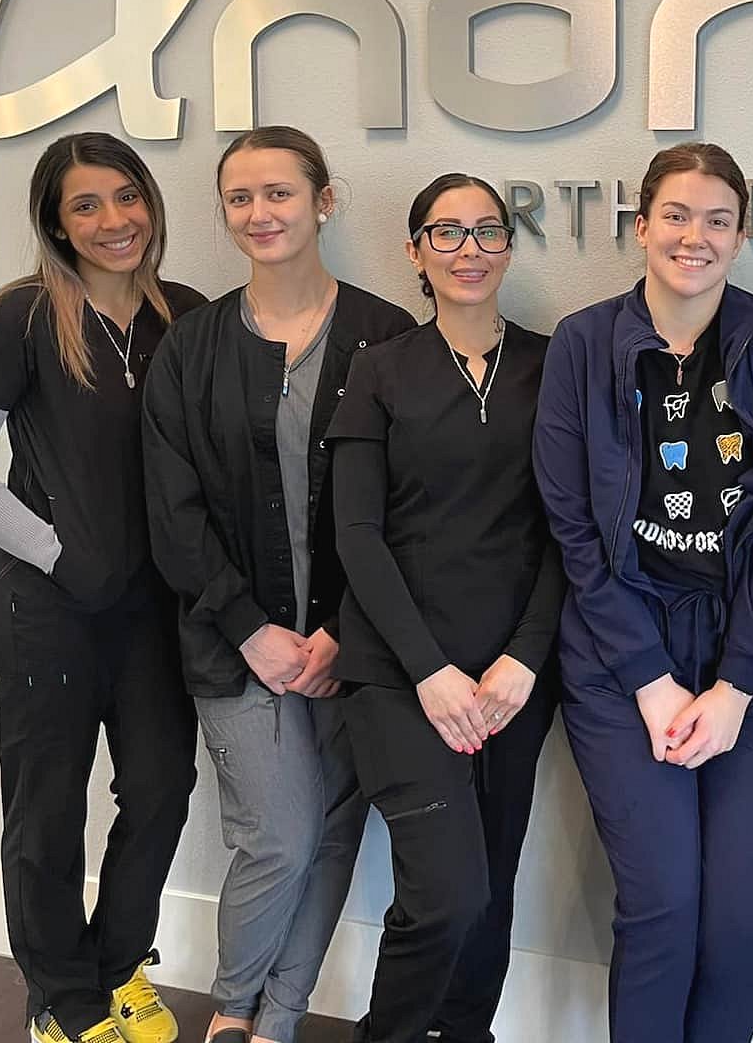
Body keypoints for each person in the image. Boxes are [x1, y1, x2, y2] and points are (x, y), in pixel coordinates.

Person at [533, 142, 753, 1043]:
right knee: (663, 907)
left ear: (741, 237)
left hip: (752, 659)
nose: (693, 237)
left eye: (717, 220)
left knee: (740, 924)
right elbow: (574, 526)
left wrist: (737, 683)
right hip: (623, 657)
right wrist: (651, 679)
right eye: (676, 215)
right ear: (642, 223)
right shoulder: (584, 343)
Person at [0, 131, 202, 1043]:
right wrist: (59, 556)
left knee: (160, 789)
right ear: (56, 220)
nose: (113, 220)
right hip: (42, 610)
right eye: (86, 204)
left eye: (126, 197)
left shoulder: (186, 315)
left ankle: (117, 968)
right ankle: (62, 1001)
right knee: (46, 811)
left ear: (150, 203)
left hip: (154, 612)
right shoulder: (20, 316)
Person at [141, 126, 415, 1043]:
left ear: (324, 200)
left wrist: (343, 627)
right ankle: (231, 1012)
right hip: (234, 643)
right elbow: (173, 511)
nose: (261, 213)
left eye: (280, 194)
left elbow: (410, 507)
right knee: (279, 836)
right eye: (240, 198)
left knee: (337, 831)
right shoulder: (191, 347)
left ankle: (280, 1021)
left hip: (352, 644)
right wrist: (252, 628)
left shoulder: (385, 335)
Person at [328, 173, 564, 1043]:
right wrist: (428, 671)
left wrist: (526, 659)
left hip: (515, 679)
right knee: (447, 893)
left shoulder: (553, 365)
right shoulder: (380, 369)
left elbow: (569, 531)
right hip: (399, 679)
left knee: (492, 885)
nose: (470, 249)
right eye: (448, 232)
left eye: (487, 231)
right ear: (415, 251)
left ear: (510, 244)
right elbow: (356, 534)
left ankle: (465, 1032)